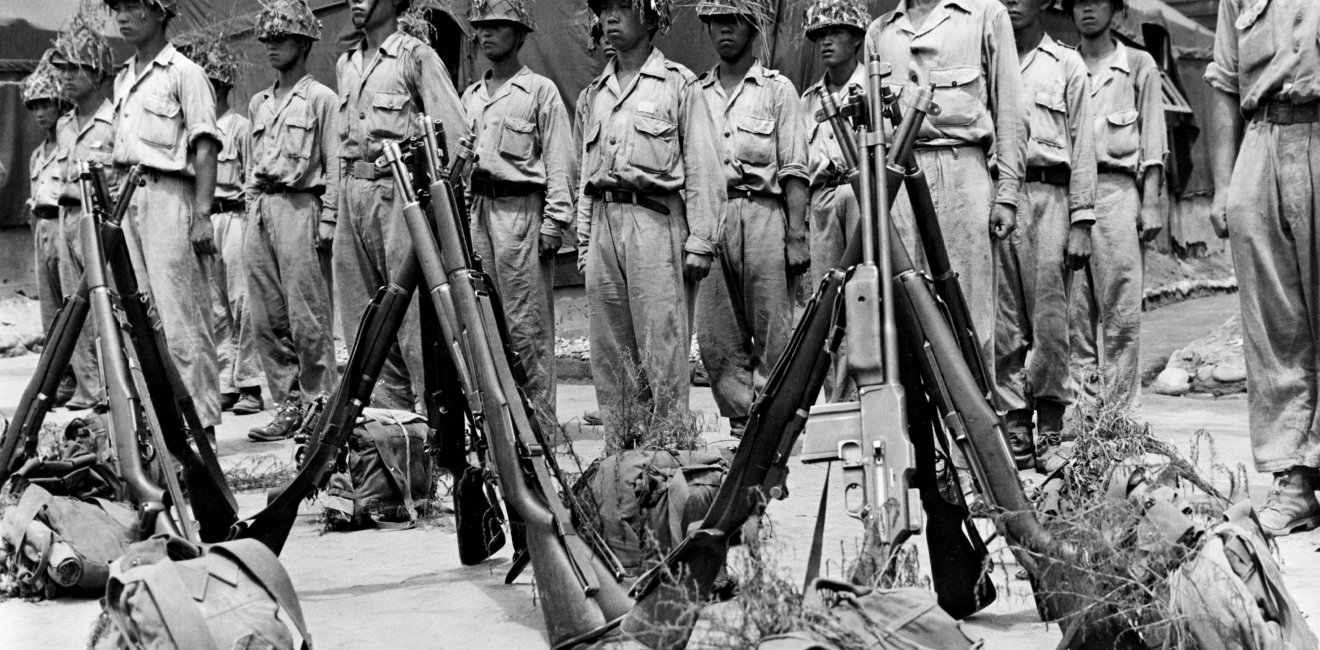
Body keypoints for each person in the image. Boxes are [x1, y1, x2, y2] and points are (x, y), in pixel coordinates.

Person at [575, 0, 725, 430]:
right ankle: (621, 465)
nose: (610, 18)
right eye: (605, 9)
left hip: (656, 223)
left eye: (624, 7)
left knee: (662, 347)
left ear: (652, 18)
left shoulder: (677, 85)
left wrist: (700, 240)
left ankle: (669, 457)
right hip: (605, 225)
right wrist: (585, 245)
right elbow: (585, 177)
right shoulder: (593, 95)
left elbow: (703, 166)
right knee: (611, 355)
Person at [1205, 0, 1320, 536]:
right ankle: (1293, 478)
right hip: (1262, 137)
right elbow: (1224, 81)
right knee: (1274, 328)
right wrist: (1225, 183)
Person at [866, 0, 1028, 371]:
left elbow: (1011, 112)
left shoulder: (986, 15)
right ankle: (911, 425)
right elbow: (873, 127)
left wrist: (1007, 192)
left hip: (963, 172)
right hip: (897, 176)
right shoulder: (881, 31)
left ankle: (977, 423)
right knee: (900, 306)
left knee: (967, 313)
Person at [335, 0, 468, 411]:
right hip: (352, 192)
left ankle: (432, 426)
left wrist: (435, 207)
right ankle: (387, 432)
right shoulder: (346, 64)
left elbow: (456, 137)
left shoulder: (415, 57)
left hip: (400, 194)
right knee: (364, 320)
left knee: (413, 324)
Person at [104, 0, 223, 437]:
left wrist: (203, 215)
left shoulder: (184, 73)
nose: (122, 16)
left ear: (158, 13)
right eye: (116, 7)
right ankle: (164, 429)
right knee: (139, 317)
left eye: (133, 6)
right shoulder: (123, 79)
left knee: (182, 318)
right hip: (129, 197)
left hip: (171, 196)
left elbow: (205, 146)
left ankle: (201, 429)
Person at [694, 0, 809, 436]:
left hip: (764, 213)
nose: (724, 31)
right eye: (716, 23)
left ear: (753, 28)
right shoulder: (696, 93)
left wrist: (797, 235)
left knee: (773, 327)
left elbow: (794, 167)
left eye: (733, 22)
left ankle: (773, 425)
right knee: (716, 335)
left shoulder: (777, 90)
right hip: (712, 213)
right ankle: (742, 424)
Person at [460, 0, 574, 425]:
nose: (487, 34)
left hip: (522, 215)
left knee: (527, 328)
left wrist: (554, 223)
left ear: (521, 34)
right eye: (482, 27)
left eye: (499, 27)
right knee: (483, 321)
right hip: (478, 214)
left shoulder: (539, 92)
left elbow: (561, 162)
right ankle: (499, 426)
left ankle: (540, 426)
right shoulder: (469, 97)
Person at [995, 0, 1097, 471]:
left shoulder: (1067, 65)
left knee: (1052, 321)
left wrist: (1082, 219)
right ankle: (1015, 425)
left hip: (1050, 197)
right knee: (1002, 322)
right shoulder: (988, 59)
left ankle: (1051, 426)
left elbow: (1085, 145)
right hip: (997, 198)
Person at [245, 0, 341, 442]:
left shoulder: (321, 99)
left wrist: (330, 219)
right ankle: (287, 405)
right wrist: (250, 212)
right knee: (267, 318)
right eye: (267, 39)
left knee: (308, 318)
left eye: (280, 39)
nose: (271, 47)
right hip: (262, 209)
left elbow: (335, 163)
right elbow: (251, 165)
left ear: (302, 43)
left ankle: (319, 407)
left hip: (302, 207)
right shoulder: (258, 103)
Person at [1066, 0, 1165, 411]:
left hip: (1117, 192)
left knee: (1121, 312)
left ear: (1116, 10)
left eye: (1098, 2)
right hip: (1068, 195)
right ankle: (1085, 416)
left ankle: (1121, 416)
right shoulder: (1061, 64)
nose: (1087, 11)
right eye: (1079, 3)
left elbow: (1154, 136)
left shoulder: (1139, 65)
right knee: (1074, 315)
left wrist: (1152, 200)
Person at [174, 33, 266, 417]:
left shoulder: (240, 126)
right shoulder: (193, 131)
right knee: (213, 306)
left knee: (243, 301)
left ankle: (250, 383)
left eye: (212, 84)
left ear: (224, 86)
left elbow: (253, 173)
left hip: (236, 217)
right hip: (207, 218)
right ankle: (226, 380)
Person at [800, 0, 869, 401]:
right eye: (820, 35)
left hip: (862, 195)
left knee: (865, 295)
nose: (826, 41)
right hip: (822, 198)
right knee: (825, 303)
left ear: (857, 38)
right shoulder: (809, 100)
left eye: (836, 32)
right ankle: (835, 402)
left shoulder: (875, 89)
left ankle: (864, 396)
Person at [51, 4, 115, 411]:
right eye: (63, 69)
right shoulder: (63, 124)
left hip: (99, 219)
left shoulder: (113, 119)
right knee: (73, 311)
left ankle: (116, 388)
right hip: (66, 218)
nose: (67, 78)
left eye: (76, 68)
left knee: (110, 304)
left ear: (97, 71)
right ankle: (89, 387)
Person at [22, 53, 74, 404]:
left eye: (46, 104)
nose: (41, 113)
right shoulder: (38, 154)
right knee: (50, 312)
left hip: (65, 223)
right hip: (42, 227)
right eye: (35, 106)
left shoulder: (71, 145)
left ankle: (86, 380)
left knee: (74, 306)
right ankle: (60, 379)